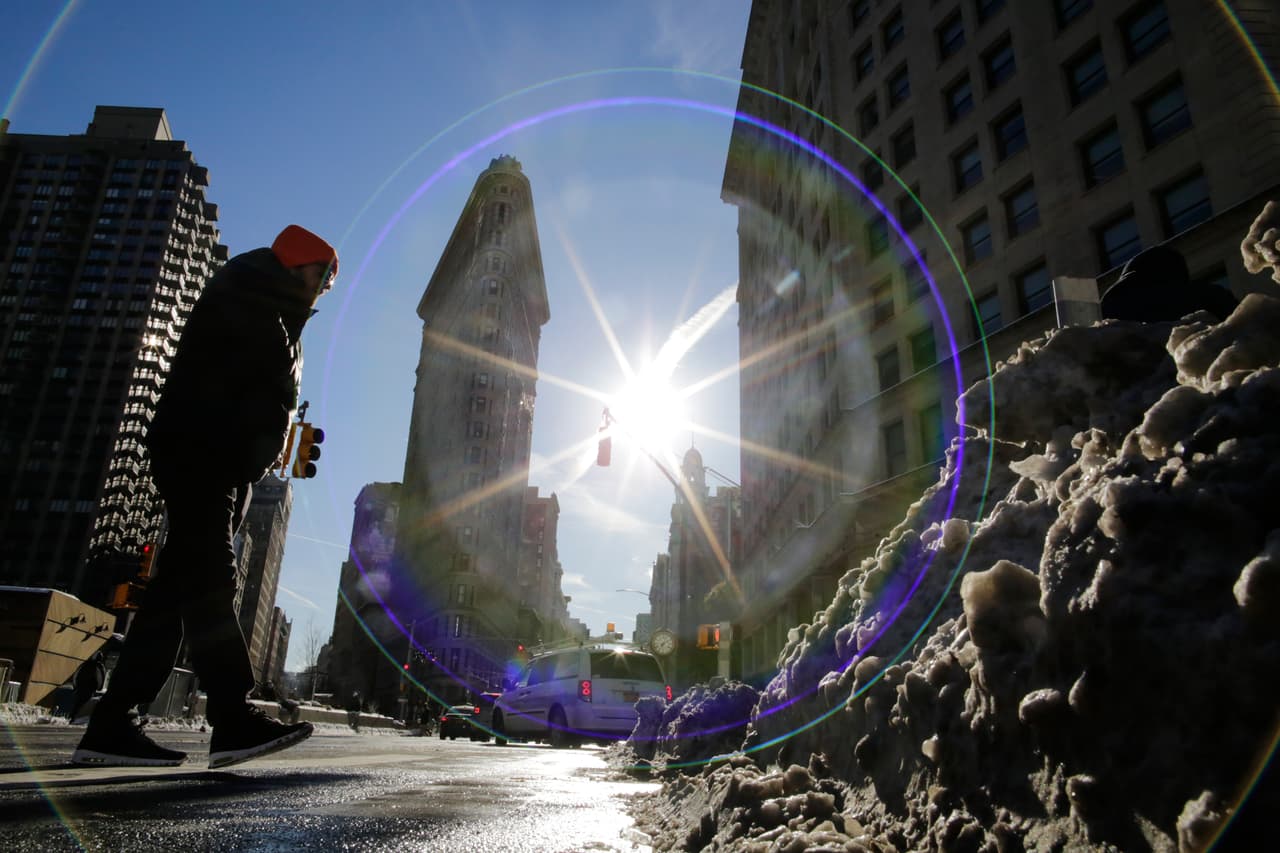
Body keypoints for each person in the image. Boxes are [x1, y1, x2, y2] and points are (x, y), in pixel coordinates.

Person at [72, 225, 338, 769]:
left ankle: (111, 724)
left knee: (176, 592)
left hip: (215, 459)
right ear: (298, 264)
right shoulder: (250, 300)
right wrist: (242, 447)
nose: (323, 290)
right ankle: (232, 717)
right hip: (204, 455)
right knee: (215, 578)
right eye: (322, 276)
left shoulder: (266, 306)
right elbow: (233, 386)